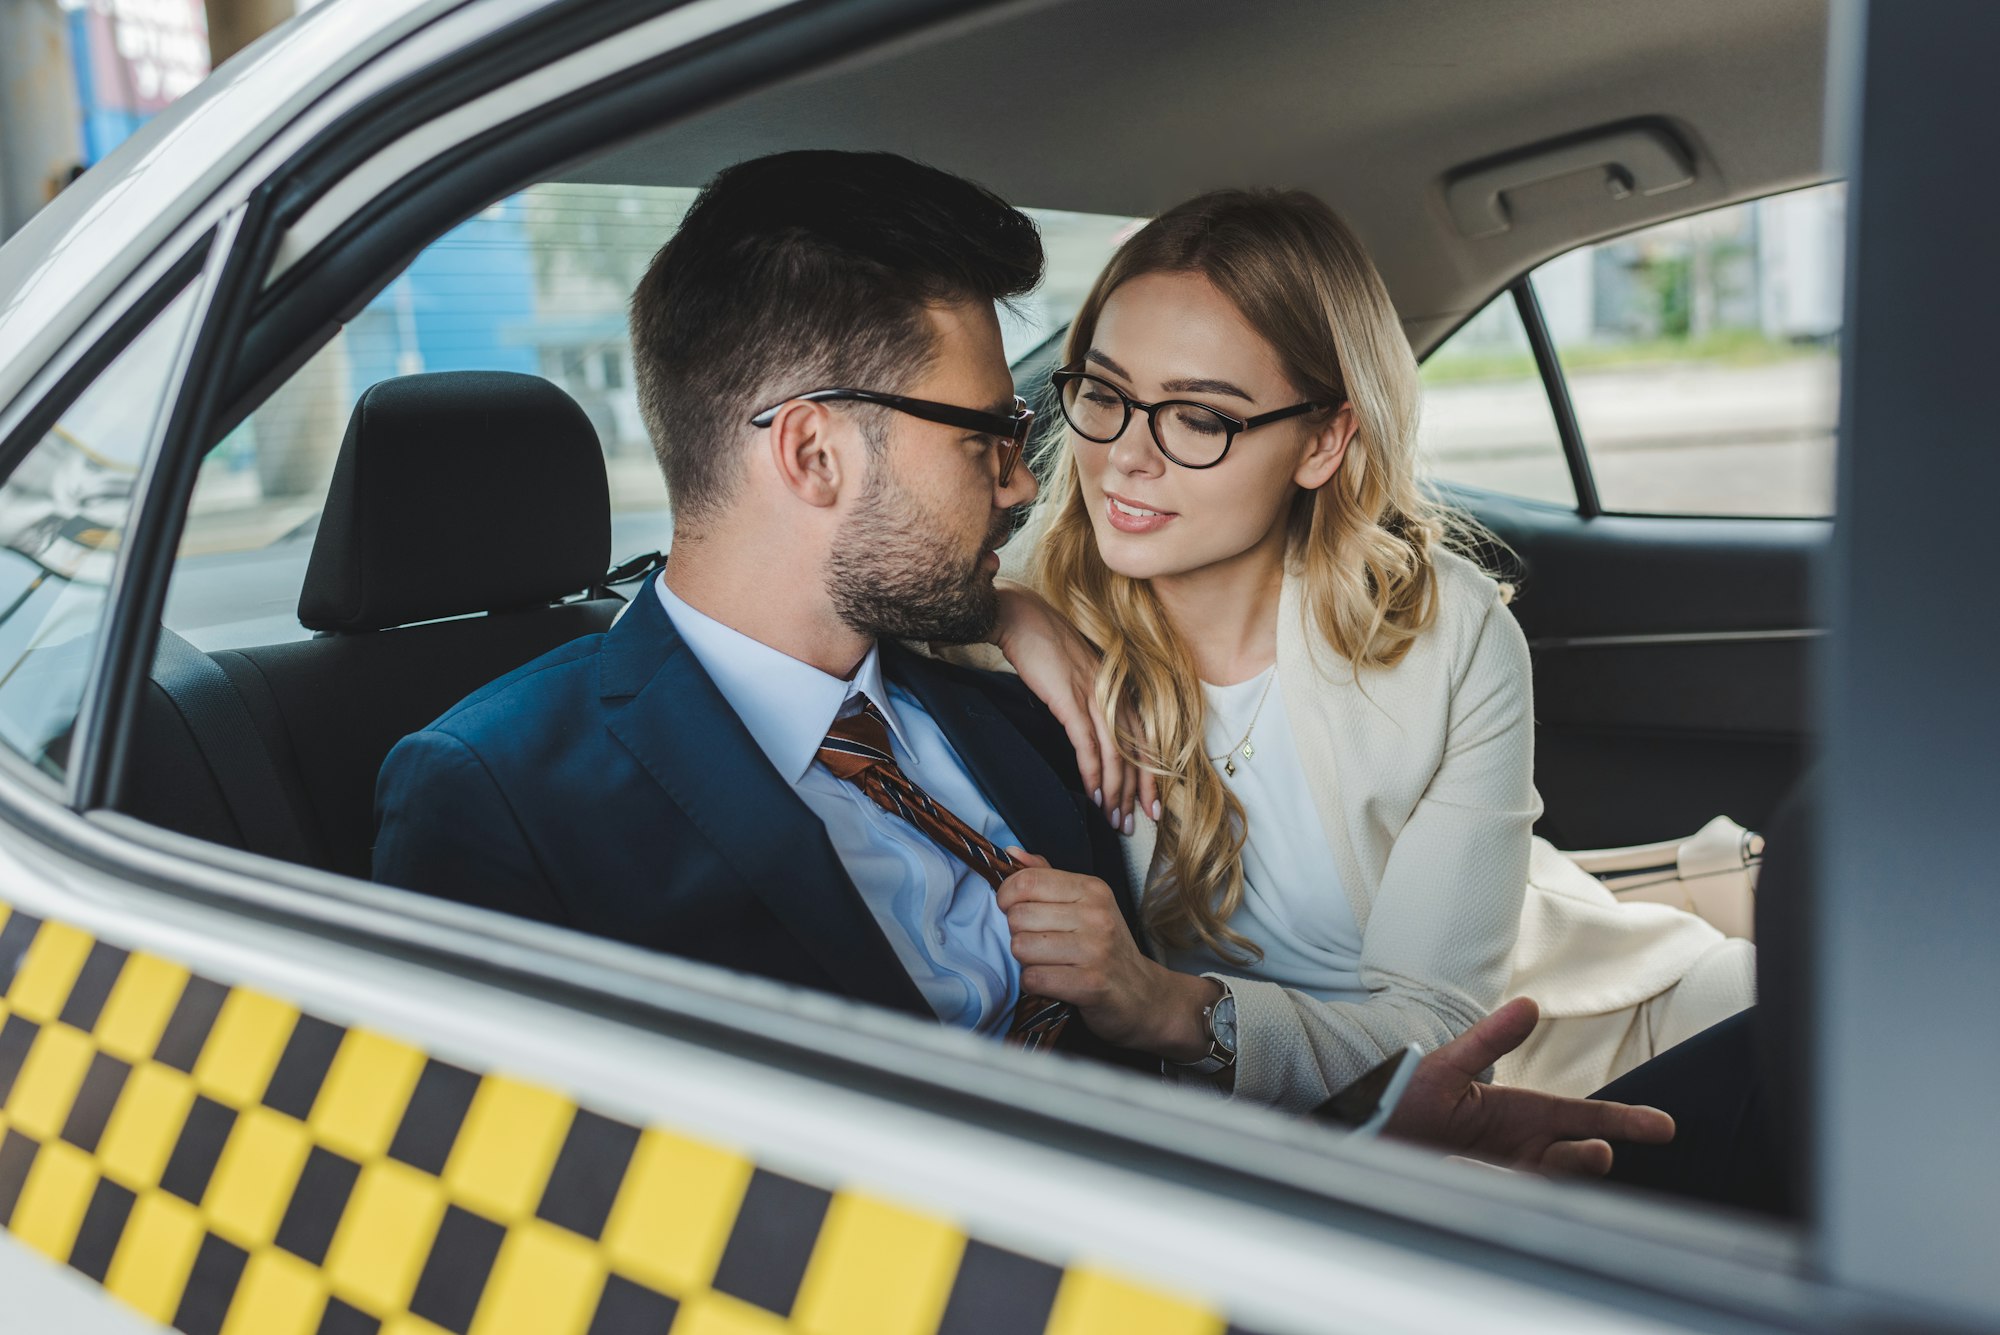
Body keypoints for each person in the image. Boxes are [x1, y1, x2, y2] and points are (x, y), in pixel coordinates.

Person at [372, 149, 1676, 1177]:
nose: (1038, 478)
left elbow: (1152, 1096)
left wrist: (1359, 1162)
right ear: (814, 453)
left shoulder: (1017, 720)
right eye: (993, 434)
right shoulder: (498, 796)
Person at [950, 188, 1756, 1106]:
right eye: (1105, 393)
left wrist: (1171, 1009)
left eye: (1200, 417)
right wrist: (994, 608)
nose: (1128, 455)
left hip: (1599, 1050)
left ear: (1324, 441)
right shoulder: (1015, 634)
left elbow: (1445, 1027)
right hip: (1355, 1150)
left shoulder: (1443, 634)